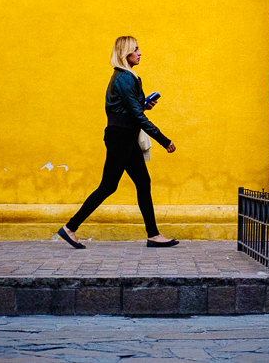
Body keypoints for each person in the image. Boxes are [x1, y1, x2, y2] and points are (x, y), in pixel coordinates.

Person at [58, 36, 179, 249]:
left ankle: (153, 235)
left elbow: (129, 109)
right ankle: (70, 228)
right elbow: (136, 116)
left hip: (125, 137)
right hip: (121, 138)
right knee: (108, 186)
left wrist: (143, 104)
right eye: (136, 49)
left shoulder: (126, 77)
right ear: (126, 54)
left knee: (142, 182)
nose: (140, 53)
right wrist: (163, 140)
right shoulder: (124, 78)